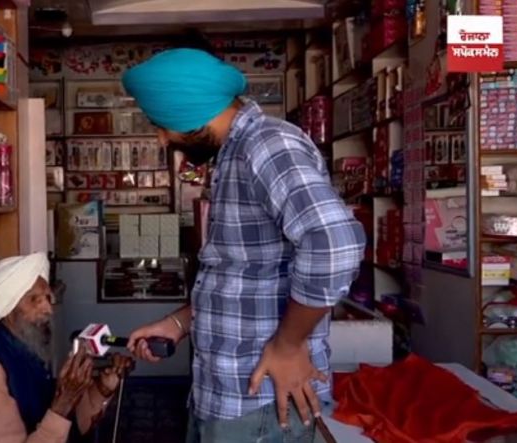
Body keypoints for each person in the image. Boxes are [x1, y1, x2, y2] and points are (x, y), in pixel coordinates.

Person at [122, 48, 367, 442]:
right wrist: (180, 322)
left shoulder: (267, 144)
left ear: (187, 113)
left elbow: (333, 243)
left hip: (261, 401)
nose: (162, 138)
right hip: (227, 395)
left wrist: (288, 345)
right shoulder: (235, 153)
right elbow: (245, 274)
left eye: (162, 125)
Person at [0, 252, 134, 443]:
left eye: (47, 298)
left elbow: (66, 427)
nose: (48, 309)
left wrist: (102, 389)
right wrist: (64, 400)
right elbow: (57, 420)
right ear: (9, 308)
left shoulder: (29, 354)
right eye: (35, 300)